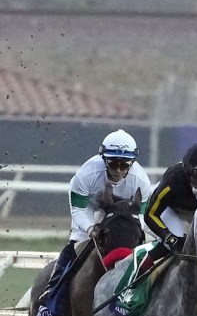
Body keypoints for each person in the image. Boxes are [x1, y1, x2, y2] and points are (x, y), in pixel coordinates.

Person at [38, 129, 151, 303]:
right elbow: (78, 211)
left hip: (122, 212)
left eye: (125, 165)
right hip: (90, 208)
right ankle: (53, 288)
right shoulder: (86, 175)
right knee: (78, 242)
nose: (118, 170)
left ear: (133, 162)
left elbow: (140, 218)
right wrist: (91, 229)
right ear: (104, 159)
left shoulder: (141, 181)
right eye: (113, 164)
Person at [138, 142, 197, 278]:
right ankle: (133, 289)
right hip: (170, 210)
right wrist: (169, 238)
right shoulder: (173, 180)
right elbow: (150, 214)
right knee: (174, 245)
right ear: (189, 173)